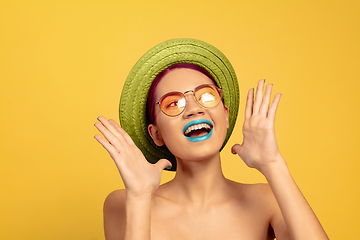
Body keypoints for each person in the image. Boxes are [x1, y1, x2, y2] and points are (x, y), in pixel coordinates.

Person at [94, 39, 328, 240]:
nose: (195, 110)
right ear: (156, 134)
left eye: (206, 96)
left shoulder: (266, 200)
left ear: (225, 115)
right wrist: (139, 197)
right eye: (173, 103)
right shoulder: (123, 203)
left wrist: (273, 164)